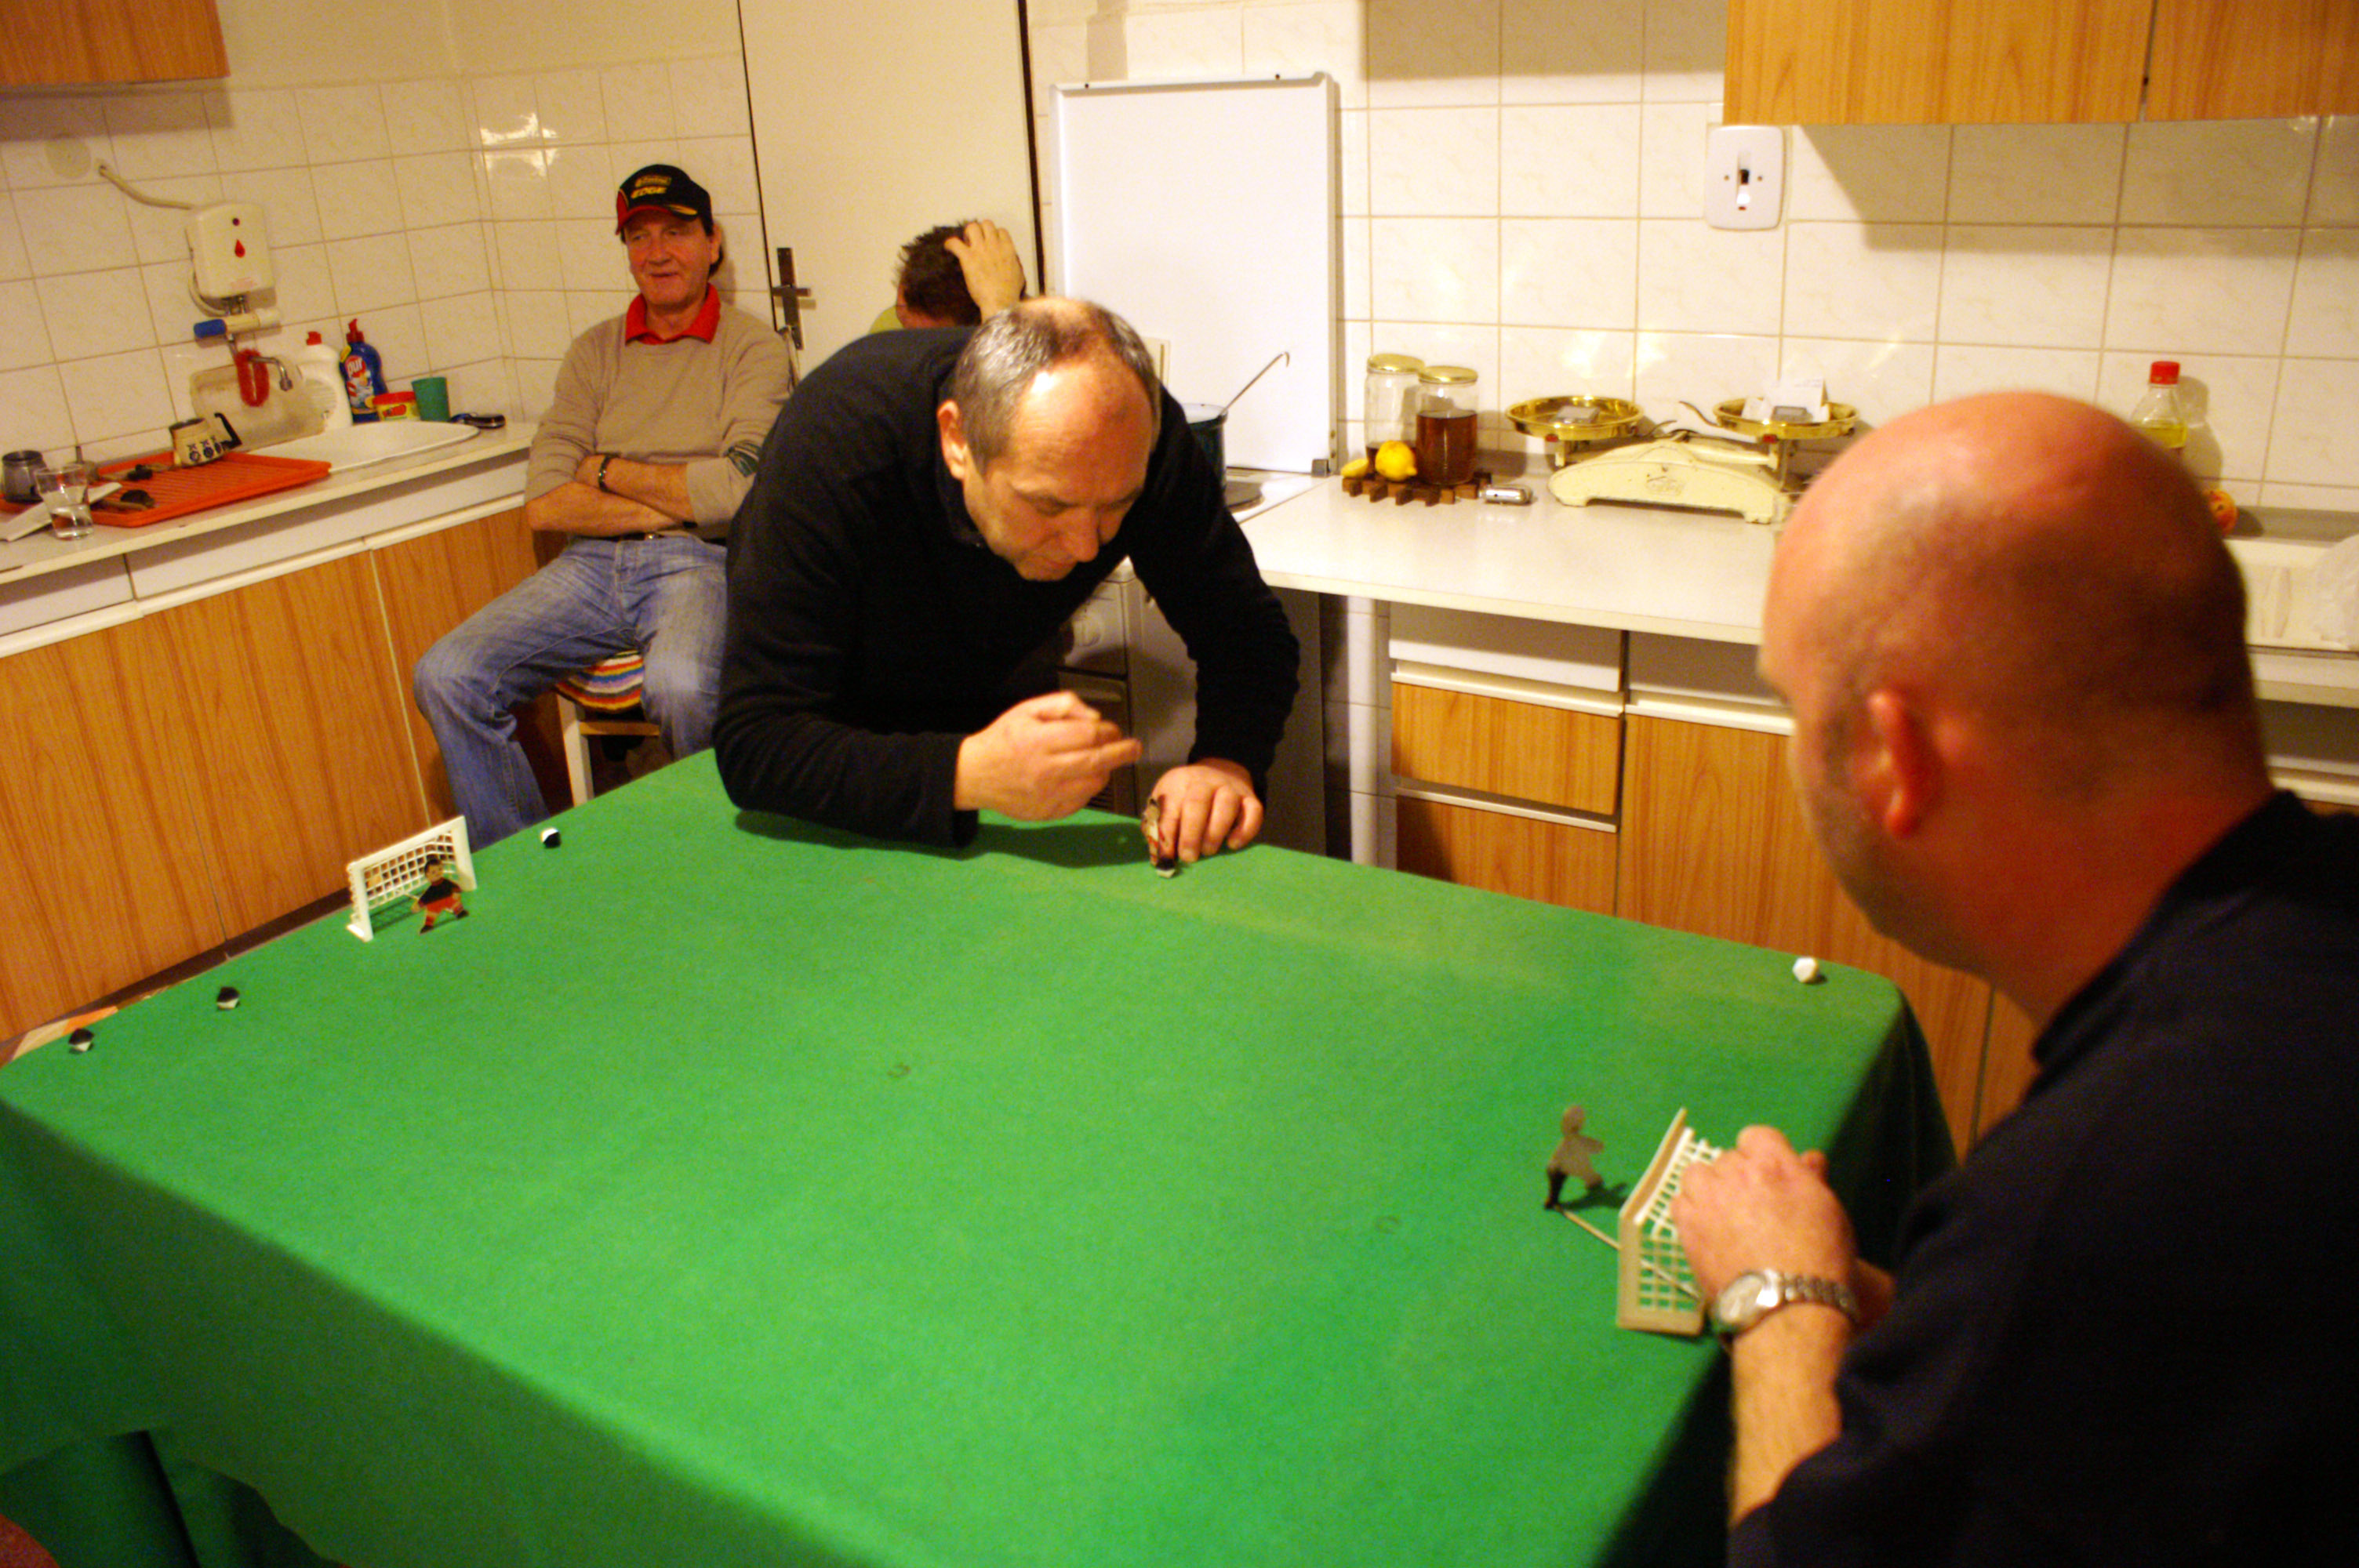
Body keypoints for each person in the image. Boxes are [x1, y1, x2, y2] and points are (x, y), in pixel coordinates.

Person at [1669, 391, 2359, 1563]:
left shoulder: (2102, 1193)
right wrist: (1939, 1330)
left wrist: (1779, 1296)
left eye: (1793, 706)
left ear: (1894, 757)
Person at [717, 296, 1297, 860]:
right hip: (838, 749)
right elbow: (758, 742)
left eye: (1116, 507)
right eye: (1048, 507)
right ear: (957, 441)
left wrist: (1225, 763)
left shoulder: (1132, 435)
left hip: (991, 697)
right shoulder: (833, 441)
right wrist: (965, 773)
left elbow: (1245, 633)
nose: (1087, 547)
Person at [414, 163, 792, 846]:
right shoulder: (593, 352)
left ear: (712, 242)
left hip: (699, 563)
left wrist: (607, 470)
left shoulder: (753, 348)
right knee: (447, 674)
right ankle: (525, 866)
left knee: (680, 687)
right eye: (639, 237)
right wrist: (683, 499)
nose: (657, 253)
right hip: (588, 567)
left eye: (676, 232)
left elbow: (737, 493)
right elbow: (546, 504)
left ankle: (724, 850)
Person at [881, 219, 1028, 330]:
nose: (909, 345)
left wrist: (999, 306)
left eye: (929, 340)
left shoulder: (1032, 338)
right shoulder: (887, 328)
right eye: (902, 318)